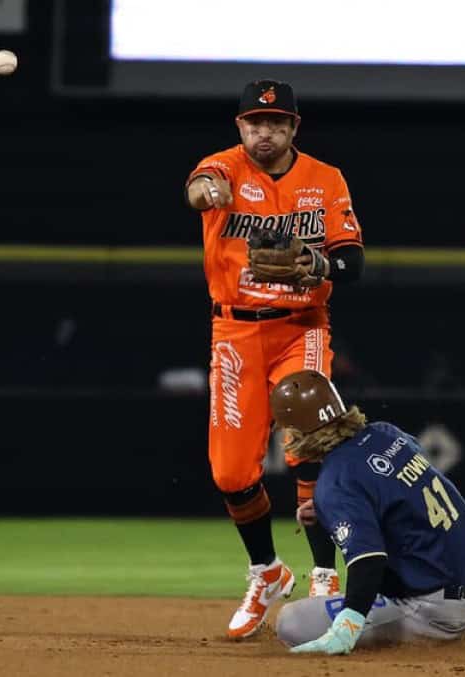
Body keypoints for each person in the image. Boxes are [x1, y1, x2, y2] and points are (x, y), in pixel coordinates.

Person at [184, 80, 366, 639]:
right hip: (234, 330)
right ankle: (266, 571)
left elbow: (352, 261)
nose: (265, 132)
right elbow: (199, 187)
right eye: (256, 123)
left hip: (300, 326)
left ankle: (324, 574)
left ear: (293, 128)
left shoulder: (324, 178)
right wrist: (209, 192)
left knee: (308, 442)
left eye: (277, 124)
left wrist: (318, 266)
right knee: (231, 473)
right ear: (240, 127)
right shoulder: (224, 167)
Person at [269, 370, 465, 655]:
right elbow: (400, 491)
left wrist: (347, 627)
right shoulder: (386, 433)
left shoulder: (335, 481)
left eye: (288, 429)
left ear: (301, 431)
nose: (286, 437)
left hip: (439, 610)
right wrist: (341, 507)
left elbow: (369, 562)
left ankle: (427, 627)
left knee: (291, 621)